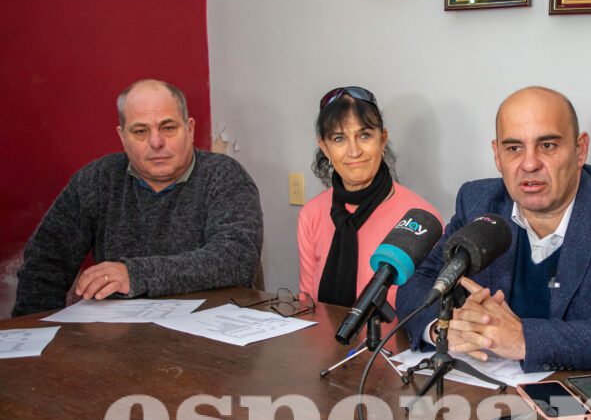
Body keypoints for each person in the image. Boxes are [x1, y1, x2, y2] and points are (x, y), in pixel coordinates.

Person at [396, 86, 591, 372]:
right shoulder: (478, 202)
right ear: (497, 155)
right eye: (514, 148)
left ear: (580, 150)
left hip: (583, 395)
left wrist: (526, 339)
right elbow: (419, 281)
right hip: (485, 391)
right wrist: (443, 329)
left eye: (547, 145)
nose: (530, 164)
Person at [12, 79, 263, 317]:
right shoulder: (97, 179)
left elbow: (237, 260)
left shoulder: (224, 176)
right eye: (141, 131)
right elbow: (44, 264)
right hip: (118, 337)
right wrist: (34, 330)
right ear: (123, 137)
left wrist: (134, 275)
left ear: (189, 129)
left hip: (212, 333)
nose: (156, 142)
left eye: (168, 128)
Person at [298, 87, 440, 309]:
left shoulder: (420, 219)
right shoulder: (311, 215)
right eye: (339, 138)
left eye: (364, 135)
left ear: (382, 140)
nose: (354, 151)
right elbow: (308, 305)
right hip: (323, 333)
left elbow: (426, 311)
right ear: (324, 148)